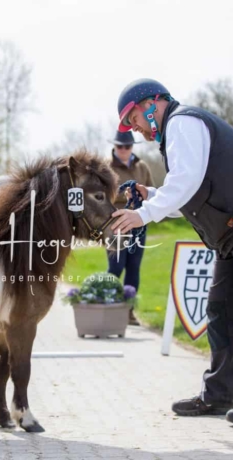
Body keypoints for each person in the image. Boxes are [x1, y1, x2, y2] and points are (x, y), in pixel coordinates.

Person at [110, 79, 233, 427]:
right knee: (222, 311)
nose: (133, 128)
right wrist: (150, 194)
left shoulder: (183, 122)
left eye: (133, 118)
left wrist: (141, 215)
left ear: (152, 103)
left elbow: (185, 183)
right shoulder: (178, 131)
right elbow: (189, 191)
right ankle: (219, 395)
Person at [106, 130, 154, 325]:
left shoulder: (142, 167)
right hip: (116, 225)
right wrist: (123, 195)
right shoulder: (106, 168)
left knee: (133, 268)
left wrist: (140, 196)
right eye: (120, 146)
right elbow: (102, 197)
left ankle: (128, 311)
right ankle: (107, 306)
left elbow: (152, 192)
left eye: (128, 146)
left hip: (139, 225)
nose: (124, 150)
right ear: (115, 147)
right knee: (116, 267)